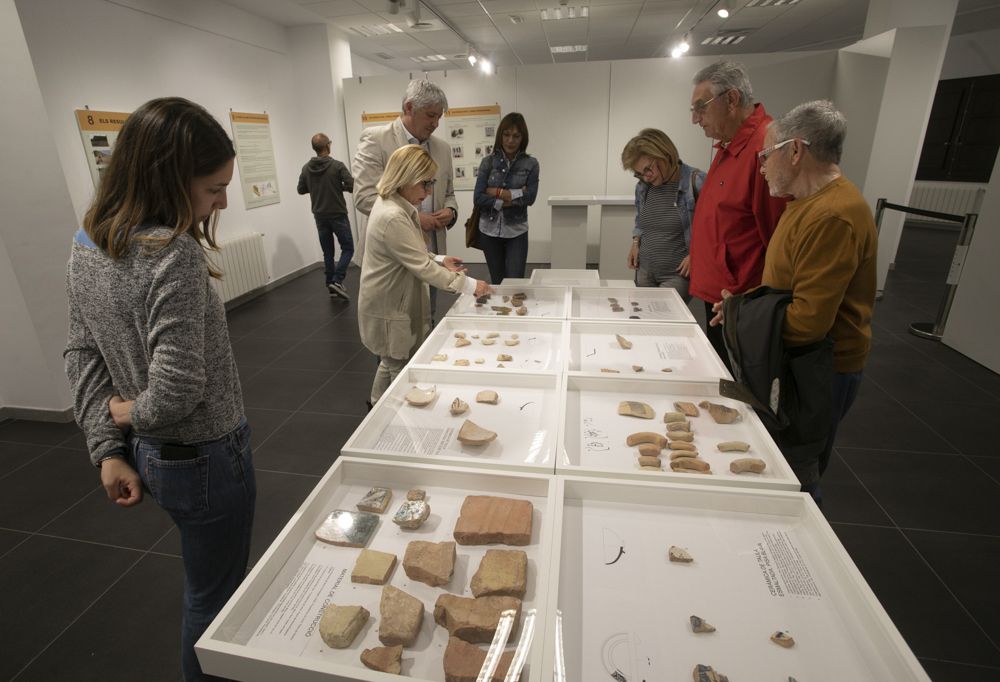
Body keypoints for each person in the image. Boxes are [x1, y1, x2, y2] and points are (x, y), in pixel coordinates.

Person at [64, 97, 255, 682]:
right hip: (205, 456)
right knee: (216, 602)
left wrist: (107, 450)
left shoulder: (87, 241)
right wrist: (123, 419)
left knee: (205, 589)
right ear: (170, 179)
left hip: (153, 456)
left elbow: (82, 354)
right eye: (213, 188)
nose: (223, 201)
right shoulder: (172, 254)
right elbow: (176, 391)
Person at [712, 100, 877, 502]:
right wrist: (744, 303)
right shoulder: (804, 206)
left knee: (796, 472)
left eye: (766, 156)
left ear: (796, 151)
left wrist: (741, 315)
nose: (762, 166)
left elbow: (807, 323)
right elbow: (788, 288)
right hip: (799, 362)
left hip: (819, 369)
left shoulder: (833, 215)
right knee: (784, 461)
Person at [358, 145, 492, 405]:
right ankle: (395, 417)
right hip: (389, 305)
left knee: (390, 359)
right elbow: (421, 266)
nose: (429, 191)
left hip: (389, 299)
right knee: (398, 365)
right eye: (425, 183)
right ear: (405, 177)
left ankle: (375, 404)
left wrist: (440, 259)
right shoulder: (393, 215)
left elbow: (411, 252)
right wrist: (470, 285)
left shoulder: (394, 204)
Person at [689, 61, 787, 368]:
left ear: (731, 100)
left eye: (700, 108)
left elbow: (779, 242)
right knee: (721, 368)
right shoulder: (730, 143)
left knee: (738, 380)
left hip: (739, 300)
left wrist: (754, 304)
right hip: (722, 293)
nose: (695, 119)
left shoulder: (765, 148)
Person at [353, 79, 459, 316]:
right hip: (390, 255)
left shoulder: (442, 148)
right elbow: (364, 196)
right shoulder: (376, 140)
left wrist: (450, 212)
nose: (435, 123)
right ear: (409, 108)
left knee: (425, 317)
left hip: (429, 246)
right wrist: (416, 217)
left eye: (439, 117)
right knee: (392, 325)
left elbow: (449, 193)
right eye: (430, 115)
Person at [621, 128, 704, 300]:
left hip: (676, 275)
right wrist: (635, 242)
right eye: (639, 174)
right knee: (643, 320)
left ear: (665, 154)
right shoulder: (643, 187)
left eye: (648, 169)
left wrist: (697, 254)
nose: (646, 177)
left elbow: (713, 228)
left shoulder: (695, 182)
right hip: (644, 270)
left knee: (663, 318)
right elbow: (641, 219)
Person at [472, 112, 540, 283]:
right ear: (500, 135)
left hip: (517, 230)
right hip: (489, 230)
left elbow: (530, 198)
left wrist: (494, 192)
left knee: (515, 282)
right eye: (506, 135)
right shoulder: (488, 162)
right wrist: (510, 196)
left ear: (522, 138)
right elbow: (478, 198)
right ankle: (500, 311)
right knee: (497, 282)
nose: (510, 140)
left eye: (516, 136)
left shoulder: (531, 164)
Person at [297, 132, 355, 299]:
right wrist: (338, 187)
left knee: (327, 252)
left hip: (319, 216)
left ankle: (330, 285)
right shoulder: (337, 166)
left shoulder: (306, 168)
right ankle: (337, 280)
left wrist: (317, 188)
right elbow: (352, 186)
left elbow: (301, 189)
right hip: (338, 214)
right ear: (328, 145)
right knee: (348, 248)